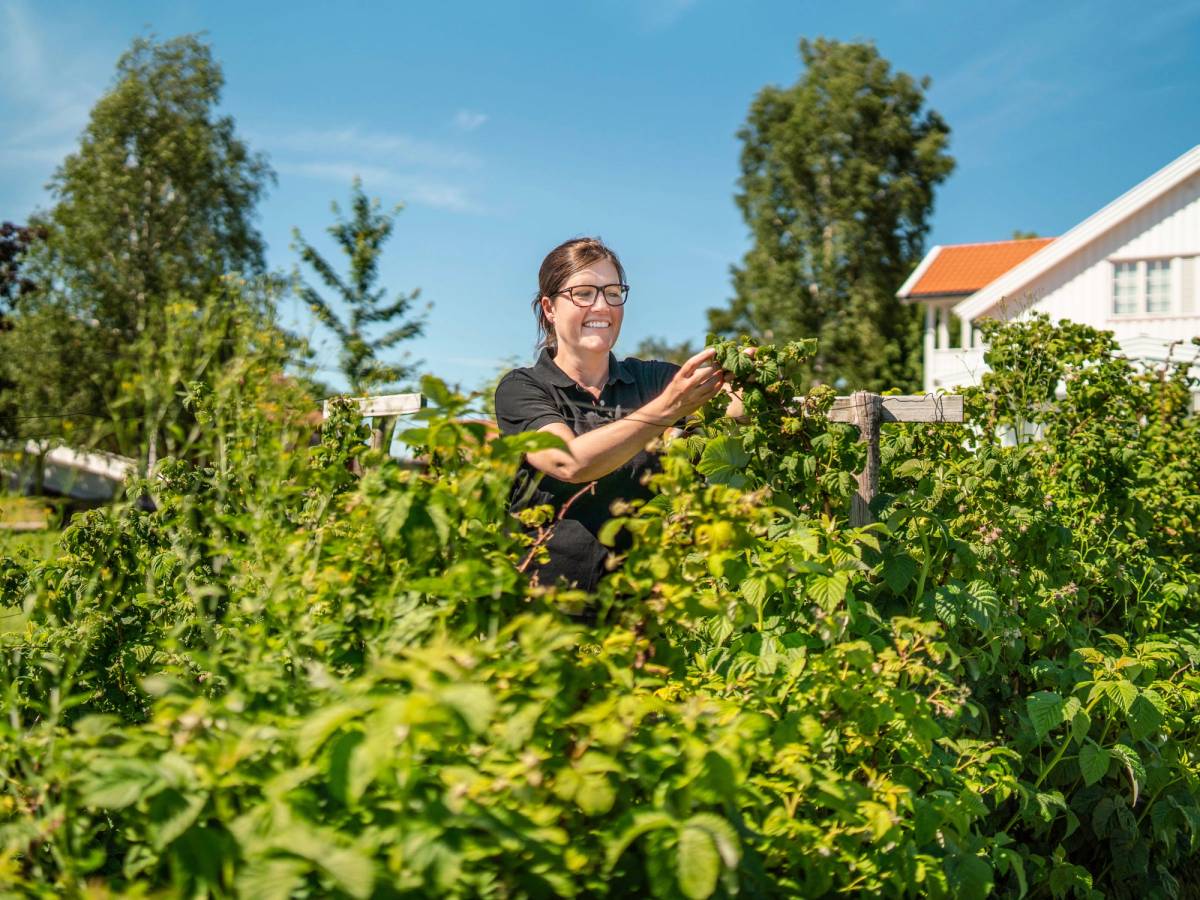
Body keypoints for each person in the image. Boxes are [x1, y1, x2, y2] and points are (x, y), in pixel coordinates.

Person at [494, 236, 742, 594]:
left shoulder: (652, 380)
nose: (602, 306)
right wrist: (669, 408)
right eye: (583, 293)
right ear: (549, 308)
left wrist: (747, 376)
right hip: (548, 620)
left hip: (645, 614)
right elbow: (570, 463)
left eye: (613, 292)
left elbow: (733, 407)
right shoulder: (523, 389)